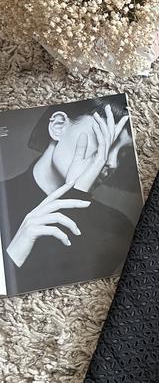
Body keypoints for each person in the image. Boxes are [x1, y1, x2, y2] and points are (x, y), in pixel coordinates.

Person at [0, 97, 137, 296]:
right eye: (105, 141)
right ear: (58, 126)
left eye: (122, 153)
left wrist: (77, 192)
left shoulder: (116, 227)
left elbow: (61, 299)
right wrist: (15, 251)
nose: (112, 163)